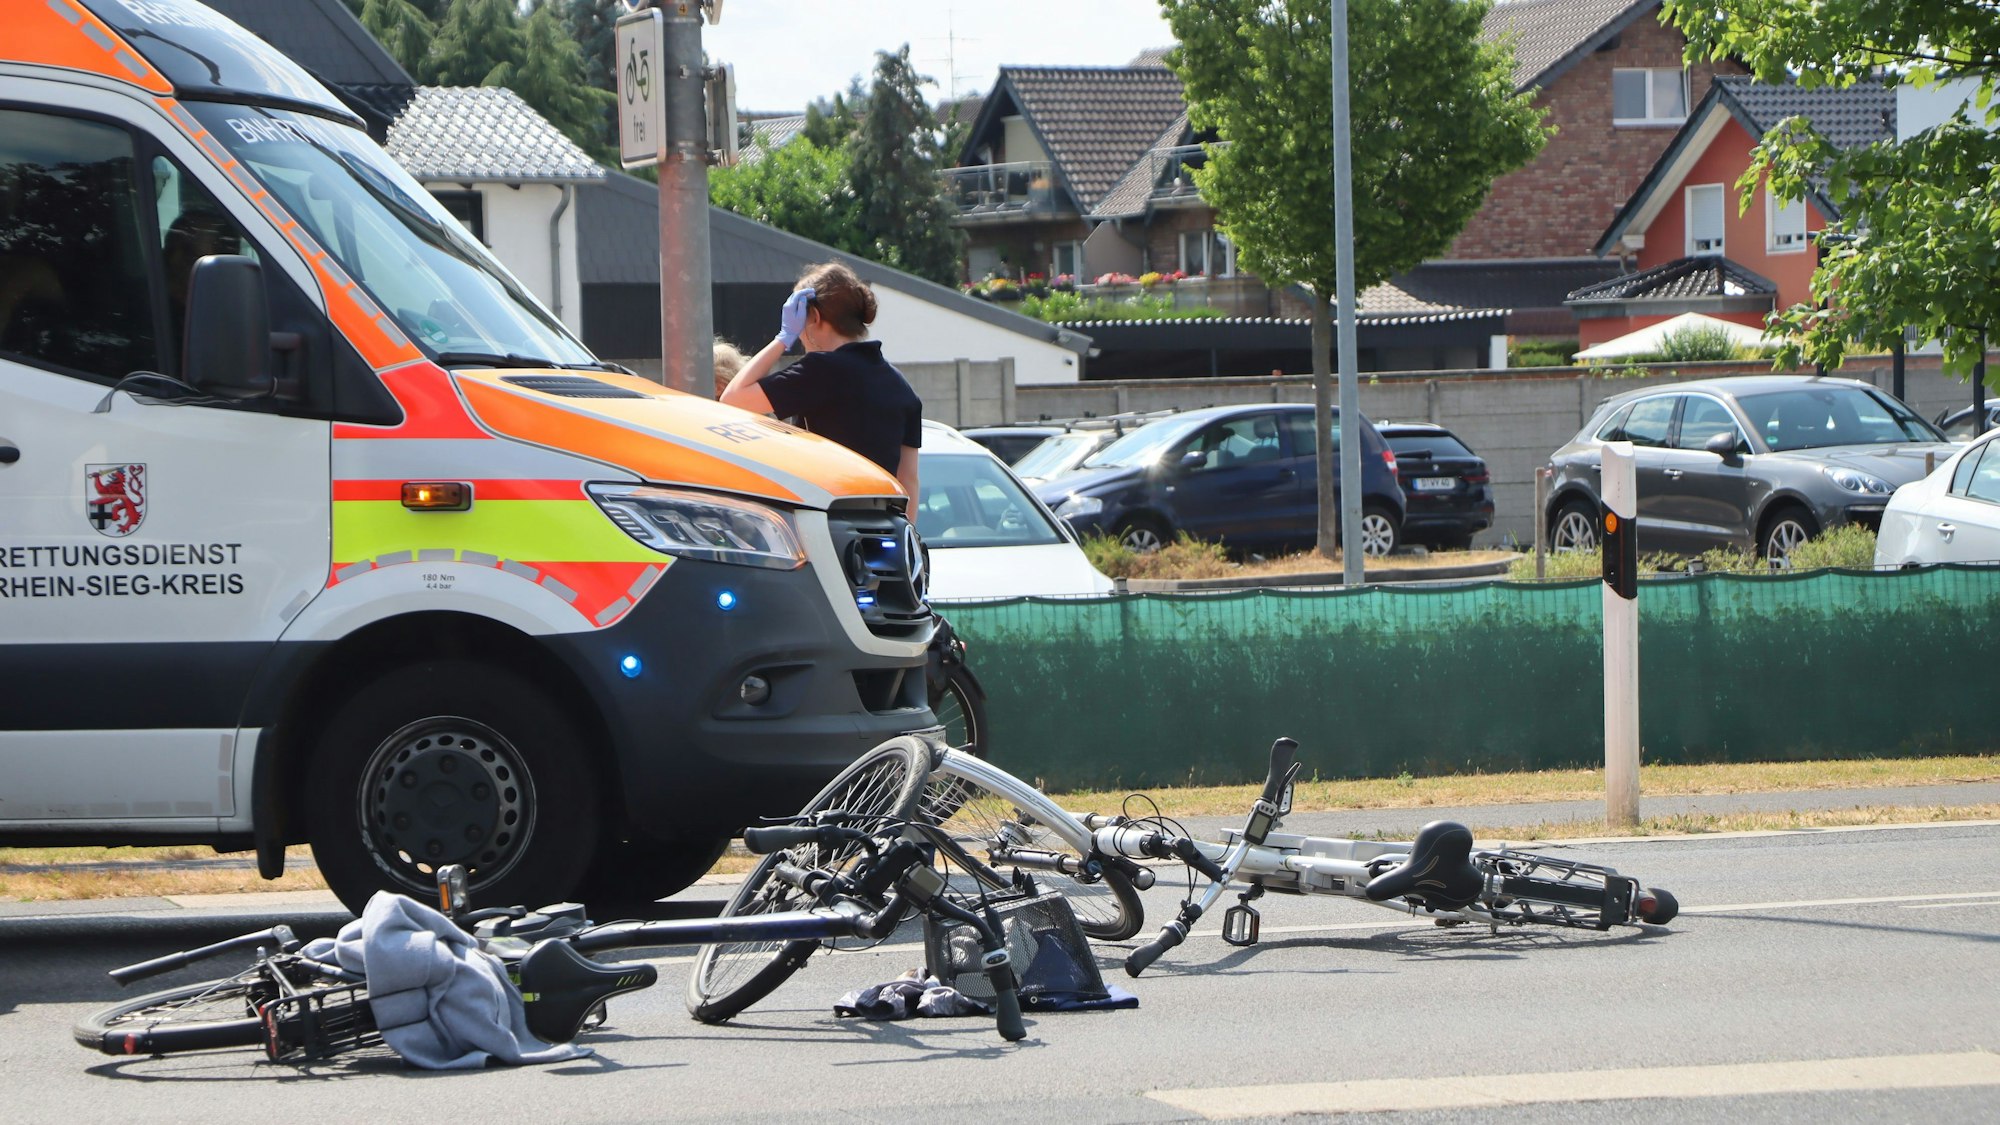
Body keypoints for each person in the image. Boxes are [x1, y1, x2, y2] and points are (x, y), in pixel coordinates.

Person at [721, 263, 922, 497]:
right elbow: (909, 478)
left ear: (814, 316)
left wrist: (783, 338)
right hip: (883, 525)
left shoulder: (821, 370)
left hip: (830, 521)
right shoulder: (899, 385)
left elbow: (733, 398)